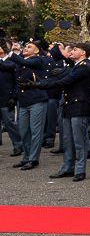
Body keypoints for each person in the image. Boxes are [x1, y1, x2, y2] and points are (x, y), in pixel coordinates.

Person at [30, 42, 90, 181]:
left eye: (75, 49)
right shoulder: (75, 66)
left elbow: (65, 81)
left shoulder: (85, 67)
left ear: (83, 53)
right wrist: (39, 83)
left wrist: (39, 85)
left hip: (80, 107)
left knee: (79, 141)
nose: (72, 51)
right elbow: (58, 77)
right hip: (69, 106)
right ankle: (68, 167)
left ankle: (80, 170)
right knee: (67, 140)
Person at [2, 40, 51, 170]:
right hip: (23, 101)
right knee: (23, 131)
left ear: (36, 50)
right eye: (25, 46)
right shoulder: (20, 61)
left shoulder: (38, 60)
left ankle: (33, 159)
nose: (26, 48)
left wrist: (8, 51)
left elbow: (24, 62)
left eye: (29, 47)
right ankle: (26, 157)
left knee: (36, 131)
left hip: (36, 99)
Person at [0, 43, 23, 158]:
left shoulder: (11, 61)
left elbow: (17, 81)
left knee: (10, 124)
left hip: (6, 98)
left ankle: (18, 145)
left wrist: (14, 97)